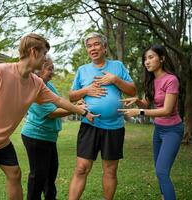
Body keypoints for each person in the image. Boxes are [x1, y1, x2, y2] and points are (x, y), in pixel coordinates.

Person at [0, 33, 98, 200]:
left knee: (14, 174)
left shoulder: (36, 83)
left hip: (1, 142)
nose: (45, 59)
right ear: (34, 52)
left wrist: (83, 111)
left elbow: (59, 101)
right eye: (44, 53)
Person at [68, 32, 136, 200]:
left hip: (114, 126)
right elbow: (71, 96)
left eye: (96, 44)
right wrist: (86, 90)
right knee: (81, 168)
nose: (93, 48)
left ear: (104, 47)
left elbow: (133, 91)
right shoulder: (82, 70)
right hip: (89, 124)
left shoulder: (117, 66)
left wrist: (115, 80)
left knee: (110, 170)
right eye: (89, 46)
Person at [118, 44, 183, 200]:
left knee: (162, 171)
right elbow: (147, 104)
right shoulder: (151, 81)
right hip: (158, 130)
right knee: (159, 170)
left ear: (162, 58)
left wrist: (139, 111)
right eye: (145, 59)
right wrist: (137, 101)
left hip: (173, 130)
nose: (146, 62)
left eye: (151, 57)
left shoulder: (171, 80)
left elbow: (167, 110)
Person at [21, 55, 86, 200]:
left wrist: (76, 104)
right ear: (39, 69)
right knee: (38, 175)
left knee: (50, 174)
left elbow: (60, 102)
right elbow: (51, 113)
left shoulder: (48, 85)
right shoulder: (33, 86)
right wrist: (76, 109)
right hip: (36, 136)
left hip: (48, 137)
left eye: (53, 69)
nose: (53, 72)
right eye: (50, 69)